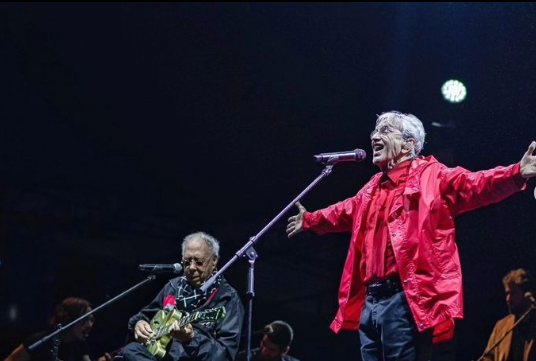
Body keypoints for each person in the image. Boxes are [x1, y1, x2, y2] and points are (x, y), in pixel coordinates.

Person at [286, 111, 536, 361]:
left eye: (385, 130)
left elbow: (476, 184)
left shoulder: (432, 177)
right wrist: (310, 219)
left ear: (409, 144)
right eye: (374, 131)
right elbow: (343, 211)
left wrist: (516, 173)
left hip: (406, 299)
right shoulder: (372, 188)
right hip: (371, 302)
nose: (374, 136)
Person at [122, 232, 244, 361]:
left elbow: (225, 356)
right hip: (159, 357)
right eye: (187, 262)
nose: (191, 267)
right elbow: (147, 314)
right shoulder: (173, 287)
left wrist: (192, 338)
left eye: (199, 262)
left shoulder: (228, 298)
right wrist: (139, 323)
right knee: (131, 350)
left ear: (214, 261)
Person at [3, 297, 108, 361]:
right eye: (85, 320)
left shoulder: (80, 346)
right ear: (70, 318)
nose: (90, 325)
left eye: (91, 320)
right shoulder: (39, 340)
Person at [480, 269, 536, 361]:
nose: (508, 299)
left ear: (526, 294)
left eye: (513, 293)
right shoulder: (501, 326)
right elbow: (488, 357)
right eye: (507, 293)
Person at [235, 320, 300, 361]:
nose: (264, 351)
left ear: (284, 351)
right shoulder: (243, 357)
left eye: (272, 350)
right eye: (263, 344)